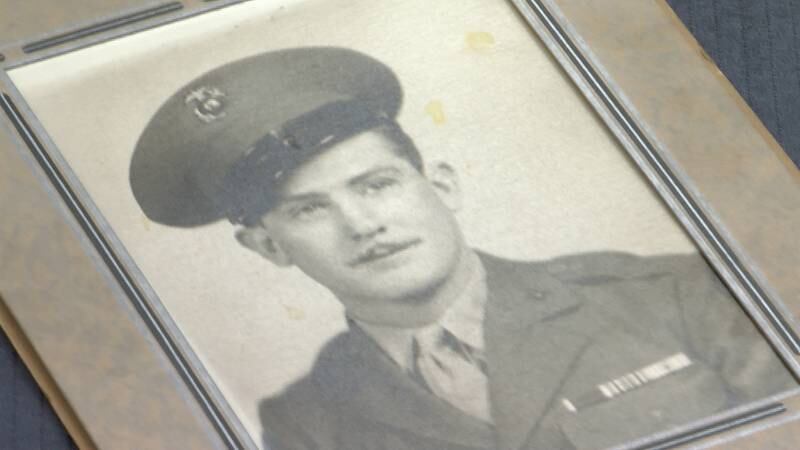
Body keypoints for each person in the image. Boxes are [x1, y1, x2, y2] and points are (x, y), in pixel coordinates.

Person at [130, 47, 795, 450]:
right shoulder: (307, 423)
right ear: (267, 246)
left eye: (377, 184)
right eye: (309, 210)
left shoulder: (674, 294)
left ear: (439, 183)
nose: (362, 225)